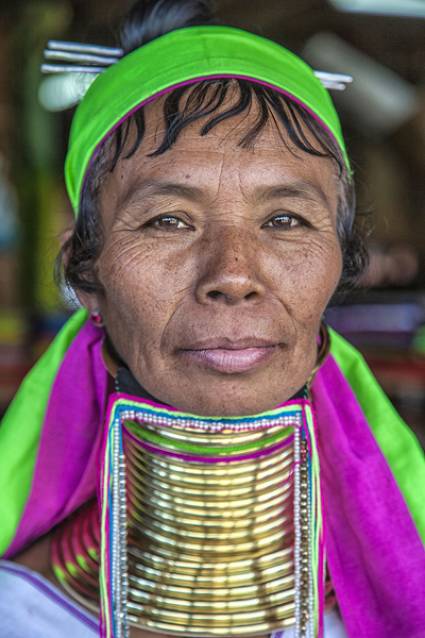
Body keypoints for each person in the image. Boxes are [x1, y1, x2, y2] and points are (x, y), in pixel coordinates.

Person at [0, 1, 424, 637]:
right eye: (167, 220)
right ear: (86, 276)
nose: (232, 275)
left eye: (286, 220)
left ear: (341, 264)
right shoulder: (19, 615)